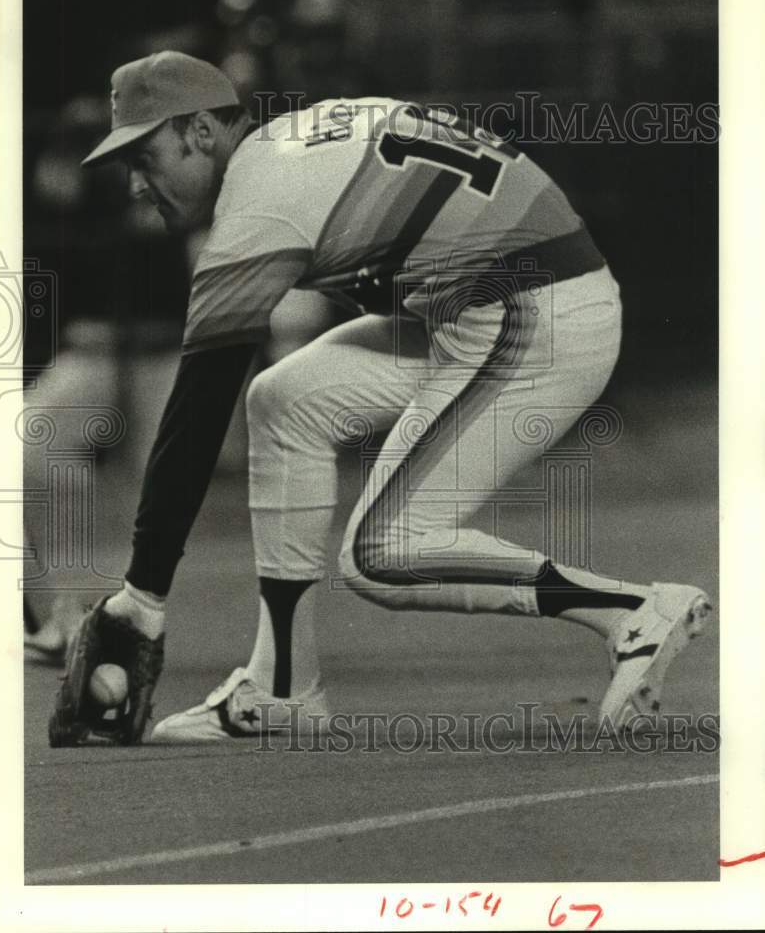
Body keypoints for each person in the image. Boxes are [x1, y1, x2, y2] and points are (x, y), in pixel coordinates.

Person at [49, 51, 711, 746]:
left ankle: (631, 610)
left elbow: (196, 413)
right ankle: (282, 689)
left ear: (198, 133)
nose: (134, 185)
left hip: (535, 315)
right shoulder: (291, 143)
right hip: (484, 302)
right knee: (283, 401)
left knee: (383, 553)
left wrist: (144, 595)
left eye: (144, 156)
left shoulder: (258, 203)